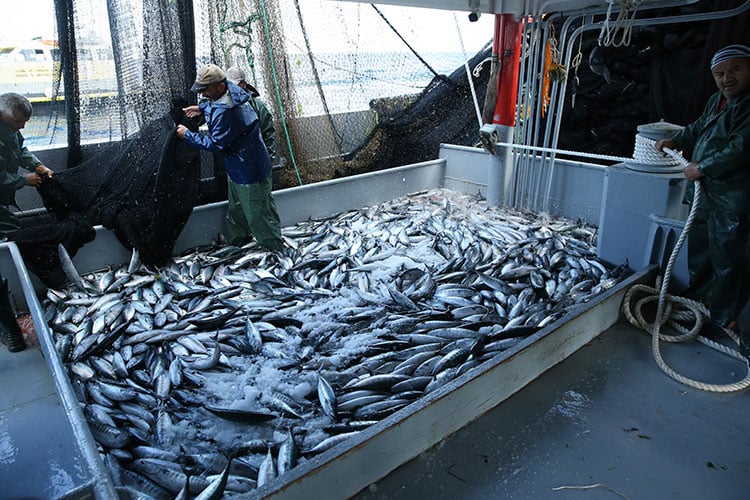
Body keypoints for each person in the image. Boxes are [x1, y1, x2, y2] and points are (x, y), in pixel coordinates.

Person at [655, 44, 750, 357]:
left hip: (732, 198)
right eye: (720, 74)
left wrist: (703, 167)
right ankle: (699, 303)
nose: (727, 78)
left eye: (735, 70)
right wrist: (677, 140)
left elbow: (741, 147)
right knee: (700, 250)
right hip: (705, 194)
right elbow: (699, 127)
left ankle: (723, 318)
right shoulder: (717, 100)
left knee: (727, 259)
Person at [176, 64, 284, 251]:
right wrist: (202, 107)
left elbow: (215, 144)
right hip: (237, 167)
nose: (203, 93)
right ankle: (236, 246)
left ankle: (274, 251)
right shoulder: (232, 90)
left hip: (250, 172)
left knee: (260, 215)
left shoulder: (228, 111)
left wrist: (187, 135)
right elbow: (217, 103)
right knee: (237, 210)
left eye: (205, 89)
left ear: (219, 86)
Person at [0, 92, 54, 353]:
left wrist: (38, 166)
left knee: (11, 236)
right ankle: (9, 329)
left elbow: (19, 150)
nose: (22, 127)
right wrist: (23, 181)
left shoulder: (10, 128)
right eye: (18, 123)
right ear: (3, 114)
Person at [225, 66, 277, 164]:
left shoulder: (259, 107)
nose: (232, 89)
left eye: (235, 85)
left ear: (244, 84)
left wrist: (267, 160)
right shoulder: (223, 105)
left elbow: (268, 134)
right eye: (229, 85)